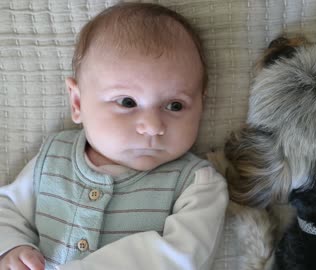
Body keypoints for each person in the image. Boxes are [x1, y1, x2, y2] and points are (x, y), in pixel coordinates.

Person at [0, 3, 228, 270]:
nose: (153, 126)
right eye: (128, 102)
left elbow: (182, 257)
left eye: (175, 105)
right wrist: (12, 247)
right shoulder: (52, 158)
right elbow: (8, 209)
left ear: (201, 106)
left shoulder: (197, 184)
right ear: (77, 103)